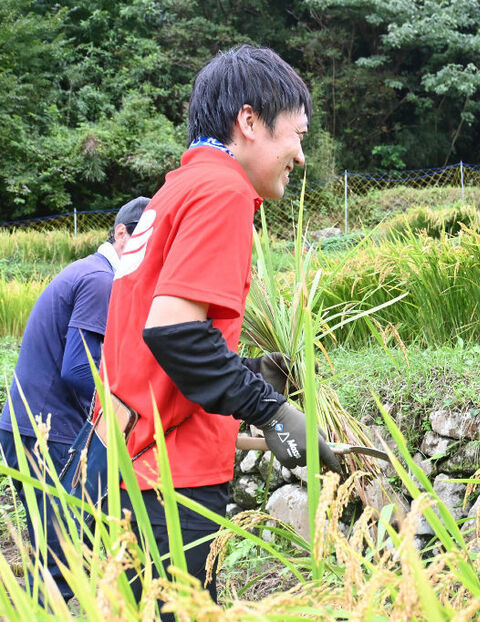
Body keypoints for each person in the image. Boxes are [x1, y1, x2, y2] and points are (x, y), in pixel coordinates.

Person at [95, 45, 341, 610]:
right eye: (296, 135)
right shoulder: (224, 191)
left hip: (132, 461)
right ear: (249, 121)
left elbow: (153, 340)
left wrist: (253, 372)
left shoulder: (176, 190)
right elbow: (176, 332)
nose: (300, 156)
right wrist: (272, 409)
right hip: (169, 475)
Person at [0, 196, 150, 602]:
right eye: (146, 242)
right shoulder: (101, 280)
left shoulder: (90, 273)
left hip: (34, 426)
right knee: (63, 560)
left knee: (58, 554)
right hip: (46, 430)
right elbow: (80, 369)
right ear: (121, 234)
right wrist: (132, 410)